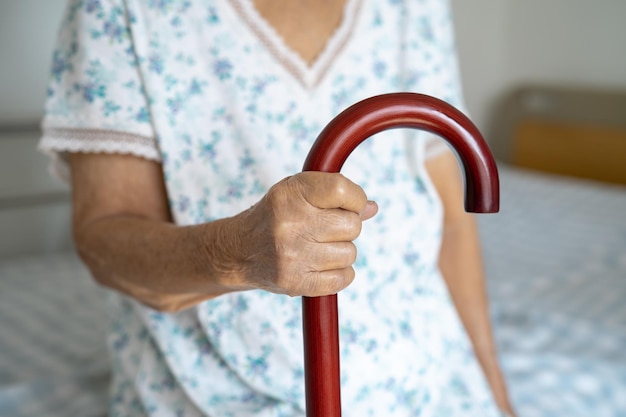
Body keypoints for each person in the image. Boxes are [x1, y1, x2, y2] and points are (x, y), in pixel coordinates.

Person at [40, 0, 515, 415]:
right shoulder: (123, 8)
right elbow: (105, 238)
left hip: (430, 387)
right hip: (217, 397)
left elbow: (450, 222)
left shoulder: (412, 6)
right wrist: (236, 253)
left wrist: (492, 390)